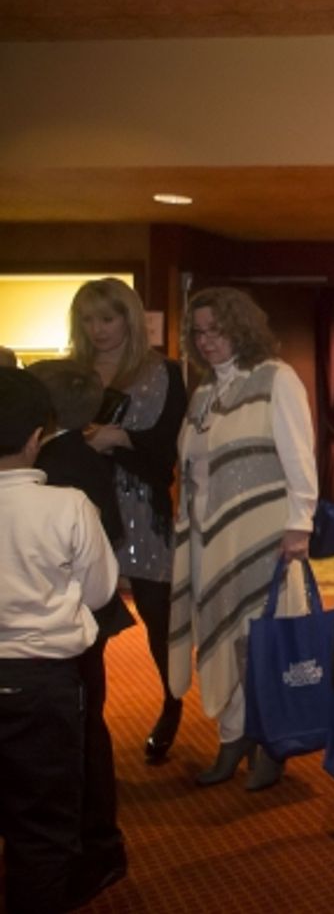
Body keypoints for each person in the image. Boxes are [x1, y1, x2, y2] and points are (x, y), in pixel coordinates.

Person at [169, 286, 318, 791]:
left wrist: (300, 524)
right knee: (222, 637)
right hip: (209, 541)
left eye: (218, 330)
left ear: (243, 329)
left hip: (266, 538)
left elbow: (300, 456)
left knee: (261, 643)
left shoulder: (277, 379)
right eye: (200, 332)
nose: (208, 341)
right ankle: (233, 737)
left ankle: (272, 740)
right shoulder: (205, 393)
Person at [0, 367, 119, 914]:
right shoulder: (67, 504)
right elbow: (98, 590)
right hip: (43, 684)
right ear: (35, 438)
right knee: (42, 832)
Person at [27, 359, 135, 899]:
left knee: (86, 733)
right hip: (83, 612)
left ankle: (97, 844)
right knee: (88, 727)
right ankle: (96, 843)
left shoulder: (53, 462)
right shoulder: (82, 455)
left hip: (72, 617)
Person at [69, 277, 189, 762]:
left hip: (146, 513)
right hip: (83, 514)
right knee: (86, 626)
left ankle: (173, 703)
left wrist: (122, 441)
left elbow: (165, 459)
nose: (97, 330)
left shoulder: (165, 373)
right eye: (89, 320)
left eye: (108, 318)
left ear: (129, 318)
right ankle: (83, 715)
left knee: (161, 621)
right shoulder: (69, 374)